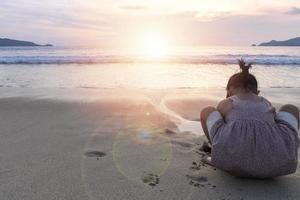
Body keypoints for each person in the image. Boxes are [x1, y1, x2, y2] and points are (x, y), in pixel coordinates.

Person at [200, 59, 299, 178]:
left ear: (229, 90)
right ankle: (288, 147)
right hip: (277, 165)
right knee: (291, 108)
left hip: (229, 163)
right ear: (257, 92)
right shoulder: (266, 103)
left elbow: (220, 124)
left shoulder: (227, 102)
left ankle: (215, 149)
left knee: (207, 111)